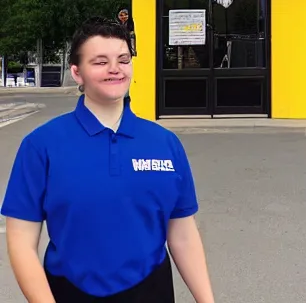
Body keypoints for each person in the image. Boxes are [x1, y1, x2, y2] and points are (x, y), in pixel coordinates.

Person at [1, 17, 215, 303]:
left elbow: (183, 234)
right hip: (69, 291)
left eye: (123, 60)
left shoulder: (165, 144)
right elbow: (21, 242)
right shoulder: (41, 146)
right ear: (77, 73)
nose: (115, 69)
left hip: (151, 291)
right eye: (100, 62)